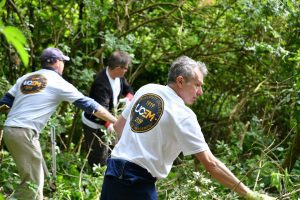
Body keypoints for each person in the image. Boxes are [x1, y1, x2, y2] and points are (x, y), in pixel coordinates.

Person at [100, 56, 275, 200]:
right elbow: (211, 164)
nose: (200, 92)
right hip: (137, 182)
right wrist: (249, 194)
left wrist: (132, 150)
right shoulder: (183, 115)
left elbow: (118, 127)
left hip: (113, 172)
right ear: (181, 81)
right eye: (197, 85)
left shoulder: (148, 89)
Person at [0, 47, 118, 200]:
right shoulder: (57, 82)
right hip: (25, 132)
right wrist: (116, 121)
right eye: (63, 61)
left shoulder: (25, 78)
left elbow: (4, 103)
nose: (64, 65)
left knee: (34, 178)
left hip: (11, 130)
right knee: (33, 185)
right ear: (56, 62)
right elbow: (90, 106)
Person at [81, 50, 134, 167]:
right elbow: (99, 112)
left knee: (112, 153)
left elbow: (129, 90)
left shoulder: (119, 77)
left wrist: (129, 98)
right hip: (95, 122)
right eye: (125, 68)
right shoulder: (101, 84)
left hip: (109, 119)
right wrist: (111, 126)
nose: (126, 70)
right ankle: (93, 179)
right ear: (118, 68)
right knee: (98, 158)